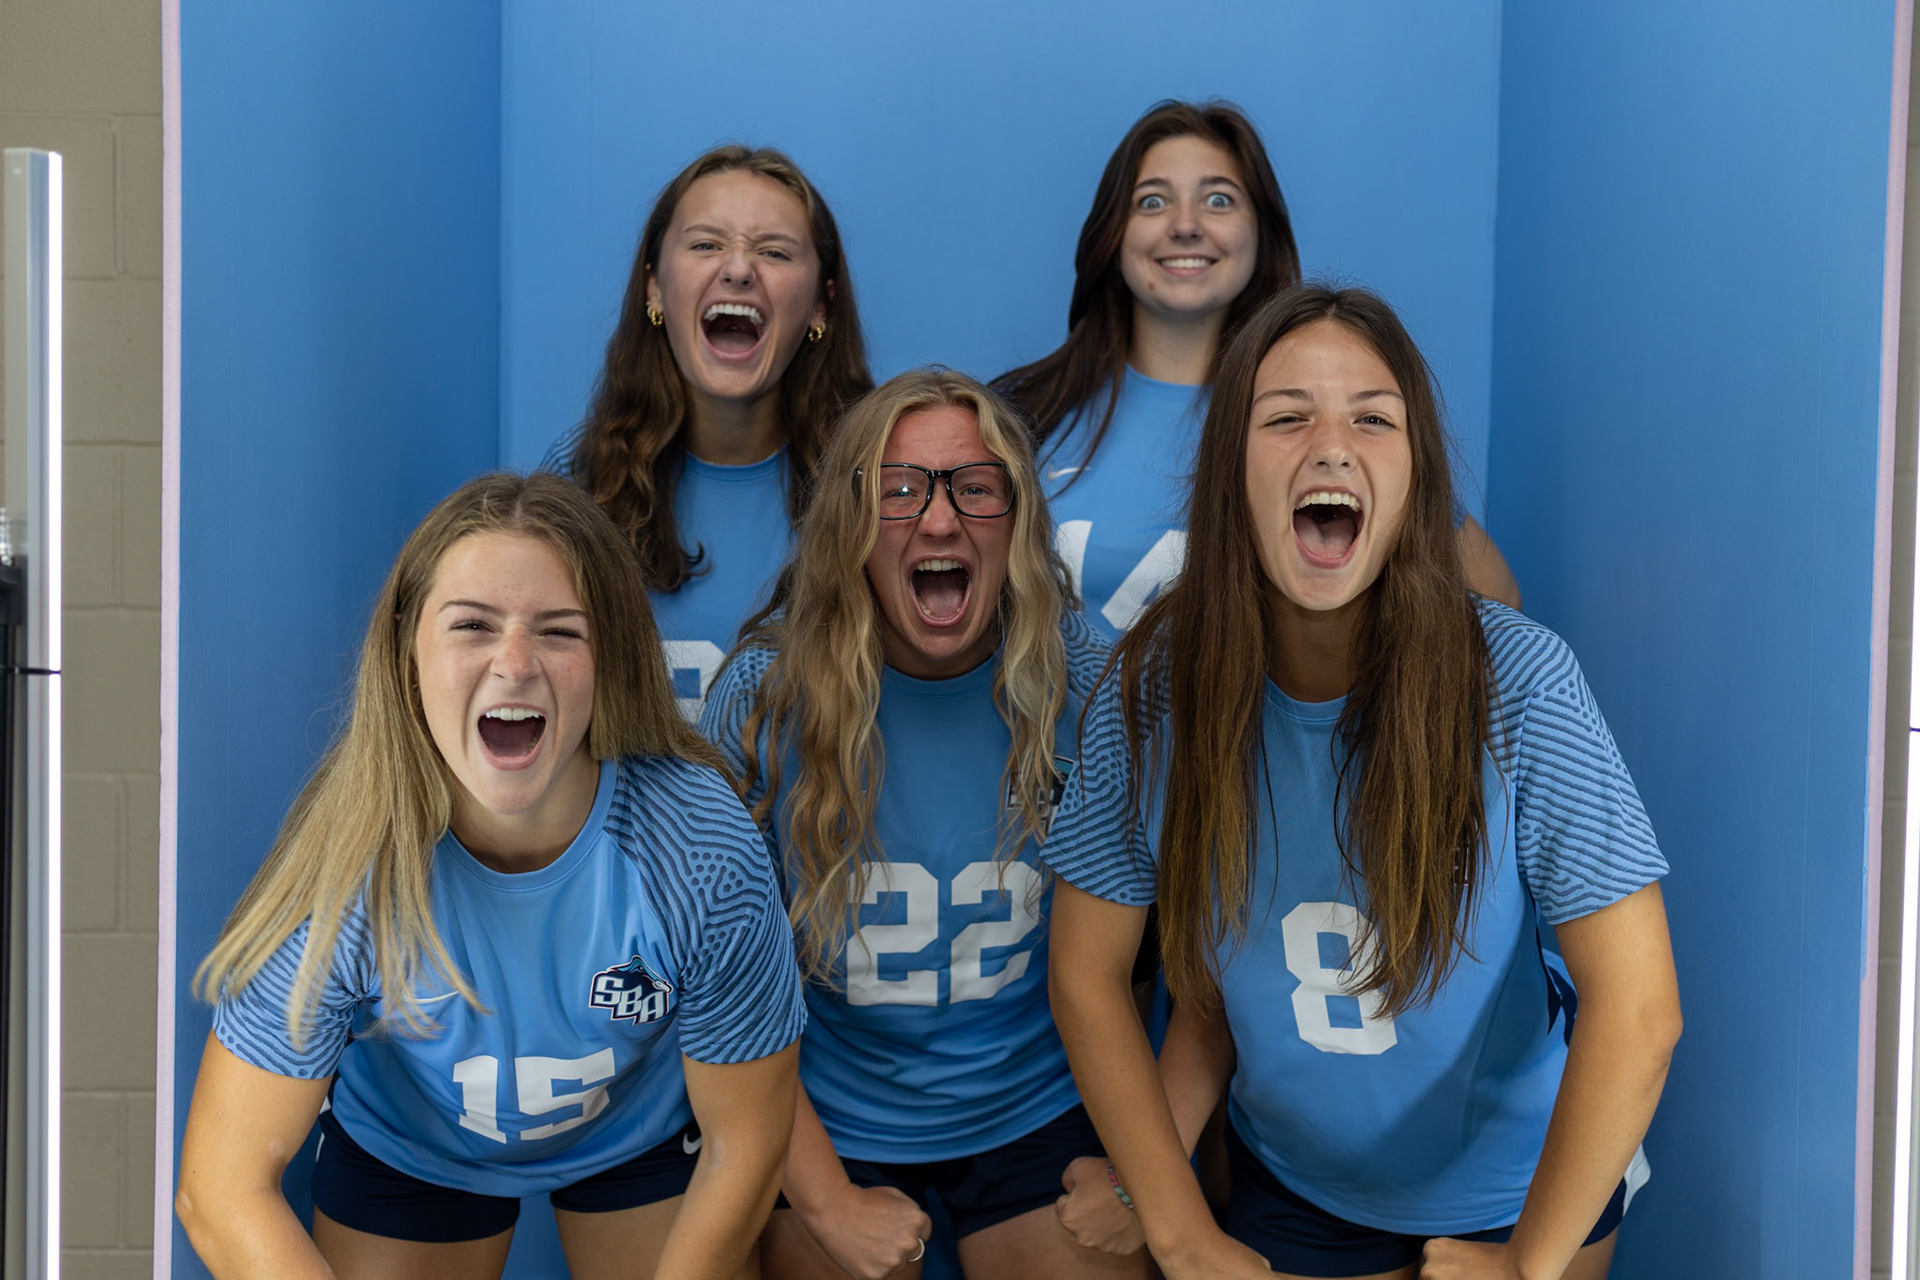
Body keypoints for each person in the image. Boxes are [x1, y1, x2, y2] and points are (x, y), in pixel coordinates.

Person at [1043, 287, 1681, 1280]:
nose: (1331, 447)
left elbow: (1640, 1005)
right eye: (1287, 415)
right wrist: (1176, 1227)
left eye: (1373, 418)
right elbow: (1087, 972)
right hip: (1294, 1183)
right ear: (1228, 473)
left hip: (1520, 1192)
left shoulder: (1521, 680)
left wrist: (1526, 1263)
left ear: (1419, 475)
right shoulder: (1157, 685)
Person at [175, 472, 805, 1280]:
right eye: (473, 625)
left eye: (559, 631)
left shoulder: (697, 843)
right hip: (415, 1144)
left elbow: (746, 1143)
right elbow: (219, 1191)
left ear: (606, 657)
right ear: (409, 652)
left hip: (637, 1133)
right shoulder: (346, 864)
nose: (514, 664)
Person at [701, 370, 1148, 1280]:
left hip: (1037, 1109)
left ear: (1019, 522)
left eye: (974, 488)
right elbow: (713, 983)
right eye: (898, 490)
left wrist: (1143, 1174)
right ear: (850, 527)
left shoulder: (1094, 684)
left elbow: (1195, 957)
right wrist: (822, 1198)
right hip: (827, 1110)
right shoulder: (763, 699)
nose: (938, 522)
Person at [995, 101, 1519, 637]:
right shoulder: (1025, 412)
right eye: (1152, 202)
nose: (1185, 225)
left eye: (1218, 200)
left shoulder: (1314, 419)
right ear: (1113, 234)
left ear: (1260, 232)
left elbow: (1497, 595)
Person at [556, 144, 873, 720]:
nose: (738, 268)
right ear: (654, 288)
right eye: (705, 244)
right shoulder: (577, 486)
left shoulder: (882, 484)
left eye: (774, 252)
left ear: (821, 306)